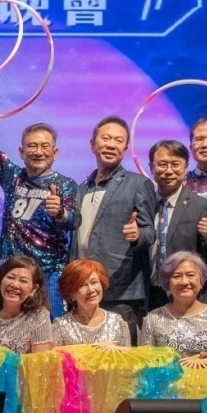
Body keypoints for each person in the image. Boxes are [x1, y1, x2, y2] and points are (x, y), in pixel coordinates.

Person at [0, 72, 77, 312]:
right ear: (21, 152)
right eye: (32, 146)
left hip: (49, 274)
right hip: (12, 273)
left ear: (55, 153)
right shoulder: (12, 176)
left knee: (49, 330)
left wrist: (61, 213)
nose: (38, 151)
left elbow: (74, 220)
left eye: (44, 146)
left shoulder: (65, 184)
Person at [67, 116, 154, 328]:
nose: (111, 145)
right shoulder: (81, 188)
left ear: (125, 149)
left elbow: (150, 231)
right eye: (106, 138)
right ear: (92, 144)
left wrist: (137, 235)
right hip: (82, 288)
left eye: (118, 140)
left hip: (120, 290)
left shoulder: (138, 184)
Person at [147, 139, 207, 308]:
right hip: (150, 295)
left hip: (186, 294)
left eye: (175, 165)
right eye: (162, 164)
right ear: (151, 168)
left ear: (185, 167)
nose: (169, 171)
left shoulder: (200, 206)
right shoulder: (144, 204)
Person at [141, 252, 207, 360]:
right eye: (177, 276)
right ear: (167, 282)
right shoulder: (152, 319)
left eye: (190, 275)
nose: (184, 282)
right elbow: (144, 363)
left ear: (201, 281)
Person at [0, 255, 54, 354]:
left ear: (33, 289)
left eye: (23, 281)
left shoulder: (39, 316)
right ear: (0, 281)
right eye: (10, 277)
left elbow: (40, 360)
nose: (15, 285)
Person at [52, 259, 131, 347]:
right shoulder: (61, 325)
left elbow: (127, 354)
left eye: (94, 282)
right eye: (82, 285)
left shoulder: (118, 322)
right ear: (71, 294)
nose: (90, 290)